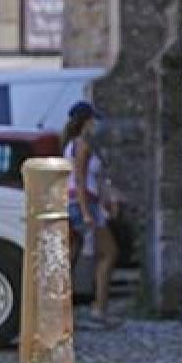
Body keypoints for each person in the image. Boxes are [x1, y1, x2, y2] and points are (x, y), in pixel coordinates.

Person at [62, 100, 120, 327]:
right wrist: (88, 213)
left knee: (72, 259)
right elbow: (79, 180)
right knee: (109, 253)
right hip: (84, 204)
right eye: (93, 120)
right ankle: (99, 310)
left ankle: (66, 310)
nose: (95, 124)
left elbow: (91, 180)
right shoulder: (82, 146)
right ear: (86, 122)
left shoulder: (72, 144)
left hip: (83, 203)